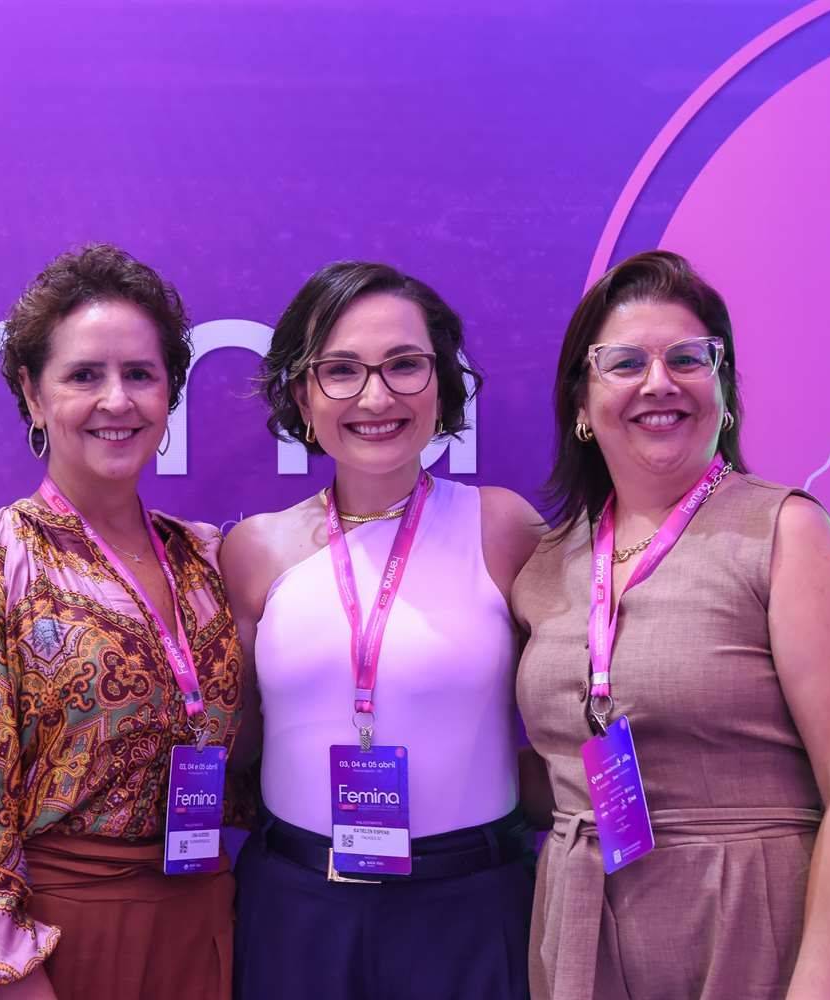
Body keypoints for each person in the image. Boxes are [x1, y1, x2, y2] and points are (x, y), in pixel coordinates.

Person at [514, 251, 830, 1000]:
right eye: (624, 362)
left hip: (751, 931)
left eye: (688, 359)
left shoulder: (785, 533)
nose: (659, 382)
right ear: (580, 405)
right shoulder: (544, 566)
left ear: (722, 390)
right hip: (580, 931)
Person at [0, 244, 246, 1000]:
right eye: (84, 375)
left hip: (206, 924)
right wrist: (8, 981)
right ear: (32, 393)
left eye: (140, 374)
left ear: (169, 393)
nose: (117, 400)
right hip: (64, 942)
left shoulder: (207, 560)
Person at [222, 261, 543, 1000]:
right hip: (299, 908)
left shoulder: (503, 528)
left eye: (404, 364)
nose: (376, 397)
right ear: (302, 395)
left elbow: (562, 712)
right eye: (340, 370)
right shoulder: (254, 550)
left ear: (443, 384)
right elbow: (240, 741)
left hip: (470, 905)